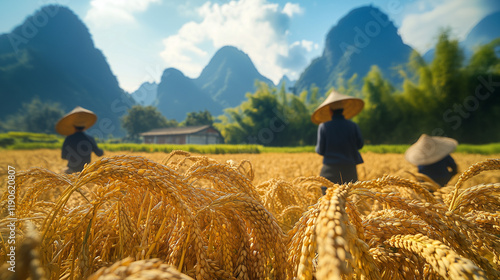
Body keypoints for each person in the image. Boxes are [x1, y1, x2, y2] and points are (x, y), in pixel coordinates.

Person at [312, 90, 365, 194]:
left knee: (327, 203)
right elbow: (360, 145)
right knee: (350, 204)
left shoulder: (324, 126)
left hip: (330, 172)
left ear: (330, 111)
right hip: (350, 171)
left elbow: (320, 150)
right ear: (343, 110)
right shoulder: (353, 126)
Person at [55, 106, 104, 174]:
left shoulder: (69, 138)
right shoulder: (89, 139)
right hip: (85, 172)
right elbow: (99, 153)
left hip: (71, 171)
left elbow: (63, 156)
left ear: (73, 127)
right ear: (85, 127)